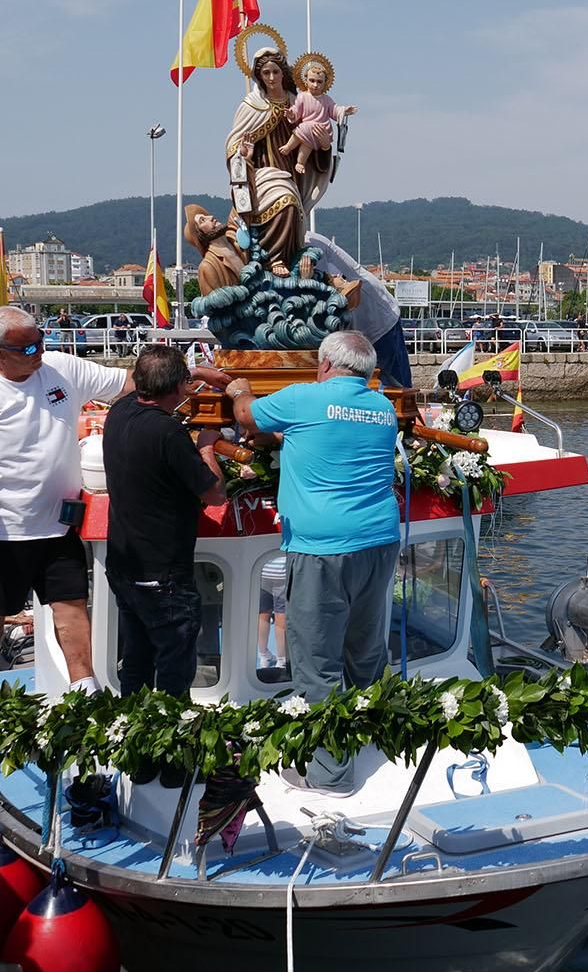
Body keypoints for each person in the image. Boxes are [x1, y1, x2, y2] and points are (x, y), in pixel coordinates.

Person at [227, 330, 402, 794]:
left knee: (317, 661)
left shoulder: (305, 398)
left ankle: (330, 775)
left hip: (322, 546)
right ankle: (371, 740)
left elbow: (247, 417)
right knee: (366, 651)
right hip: (380, 541)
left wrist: (239, 388)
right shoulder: (383, 408)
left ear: (324, 365)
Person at [0, 306, 135, 691]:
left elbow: (128, 384)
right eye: (27, 349)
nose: (39, 353)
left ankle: (84, 685)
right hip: (2, 529)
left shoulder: (61, 368)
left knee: (71, 605)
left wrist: (178, 379)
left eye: (40, 342)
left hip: (60, 523)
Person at [101, 345, 234, 698]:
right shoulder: (167, 433)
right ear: (177, 388)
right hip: (164, 572)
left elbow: (146, 385)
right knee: (174, 668)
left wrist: (200, 375)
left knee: (137, 659)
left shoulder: (119, 411)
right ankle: (169, 733)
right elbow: (215, 494)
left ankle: (134, 727)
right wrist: (206, 446)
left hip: (124, 564)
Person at [227, 48, 310, 275]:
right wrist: (244, 153)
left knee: (293, 207)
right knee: (287, 203)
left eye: (275, 71)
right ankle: (276, 259)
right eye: (266, 73)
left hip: (291, 169)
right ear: (259, 76)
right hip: (263, 170)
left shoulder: (296, 101)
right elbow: (234, 143)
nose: (271, 78)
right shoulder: (251, 105)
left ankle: (287, 256)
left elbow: (313, 129)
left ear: (283, 73)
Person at [278, 53, 355, 175]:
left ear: (325, 83)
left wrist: (344, 111)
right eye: (312, 81)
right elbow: (296, 110)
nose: (315, 85)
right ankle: (297, 158)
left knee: (304, 131)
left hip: (321, 129)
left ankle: (291, 149)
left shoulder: (326, 99)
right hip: (307, 128)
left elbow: (334, 110)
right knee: (306, 142)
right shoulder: (302, 96)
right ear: (306, 80)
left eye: (319, 82)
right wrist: (291, 114)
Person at [257, 553, 288, 670]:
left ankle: (264, 656)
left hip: (262, 567)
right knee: (281, 615)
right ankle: (282, 660)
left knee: (263, 613)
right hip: (282, 571)